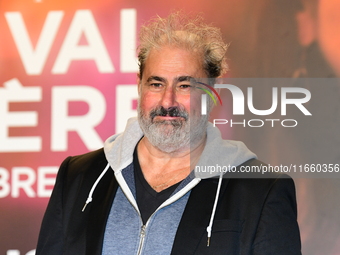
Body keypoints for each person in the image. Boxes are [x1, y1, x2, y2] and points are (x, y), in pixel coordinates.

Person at [36, 11, 301, 255]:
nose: (168, 101)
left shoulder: (261, 190)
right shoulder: (79, 177)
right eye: (156, 83)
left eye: (185, 85)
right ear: (139, 86)